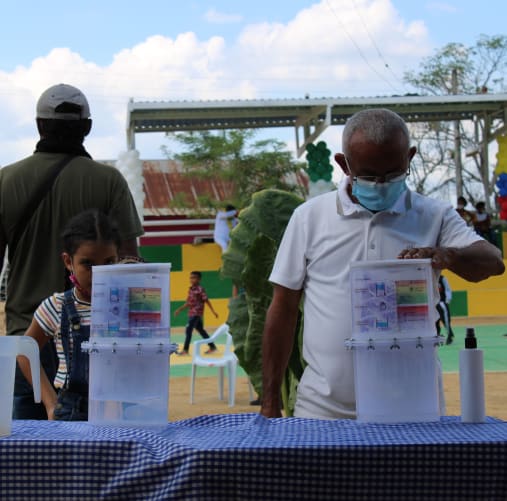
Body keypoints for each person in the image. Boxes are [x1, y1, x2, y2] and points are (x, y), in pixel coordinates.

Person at [261, 108, 505, 420]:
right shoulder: (309, 218)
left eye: (393, 174)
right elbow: (283, 308)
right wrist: (270, 403)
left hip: (415, 410)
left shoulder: (436, 215)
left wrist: (449, 255)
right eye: (369, 175)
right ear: (343, 164)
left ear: (410, 157)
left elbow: (493, 263)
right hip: (322, 412)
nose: (381, 184)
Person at [0, 83, 144, 419]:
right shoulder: (109, 181)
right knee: (96, 457)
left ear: (39, 125)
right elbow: (132, 265)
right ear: (88, 127)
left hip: (26, 341)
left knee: (26, 457)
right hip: (97, 346)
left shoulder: (6, 181)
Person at [17, 210, 121, 421]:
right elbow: (24, 352)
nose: (99, 272)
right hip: (70, 413)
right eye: (88, 264)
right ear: (68, 261)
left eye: (109, 262)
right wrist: (50, 403)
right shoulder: (57, 306)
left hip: (120, 409)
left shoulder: (127, 305)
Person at [174, 271, 219, 356]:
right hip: (192, 313)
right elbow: (188, 303)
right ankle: (212, 346)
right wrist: (179, 309)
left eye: (194, 277)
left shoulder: (200, 289)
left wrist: (213, 311)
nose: (192, 279)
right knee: (201, 331)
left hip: (196, 314)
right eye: (191, 277)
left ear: (199, 279)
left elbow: (206, 300)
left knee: (188, 330)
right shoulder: (191, 289)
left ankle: (185, 350)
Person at [436, 274, 455, 345]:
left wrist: (447, 300)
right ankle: (436, 336)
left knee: (446, 321)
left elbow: (447, 289)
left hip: (442, 303)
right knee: (435, 322)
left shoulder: (442, 278)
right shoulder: (429, 278)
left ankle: (450, 335)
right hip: (433, 303)